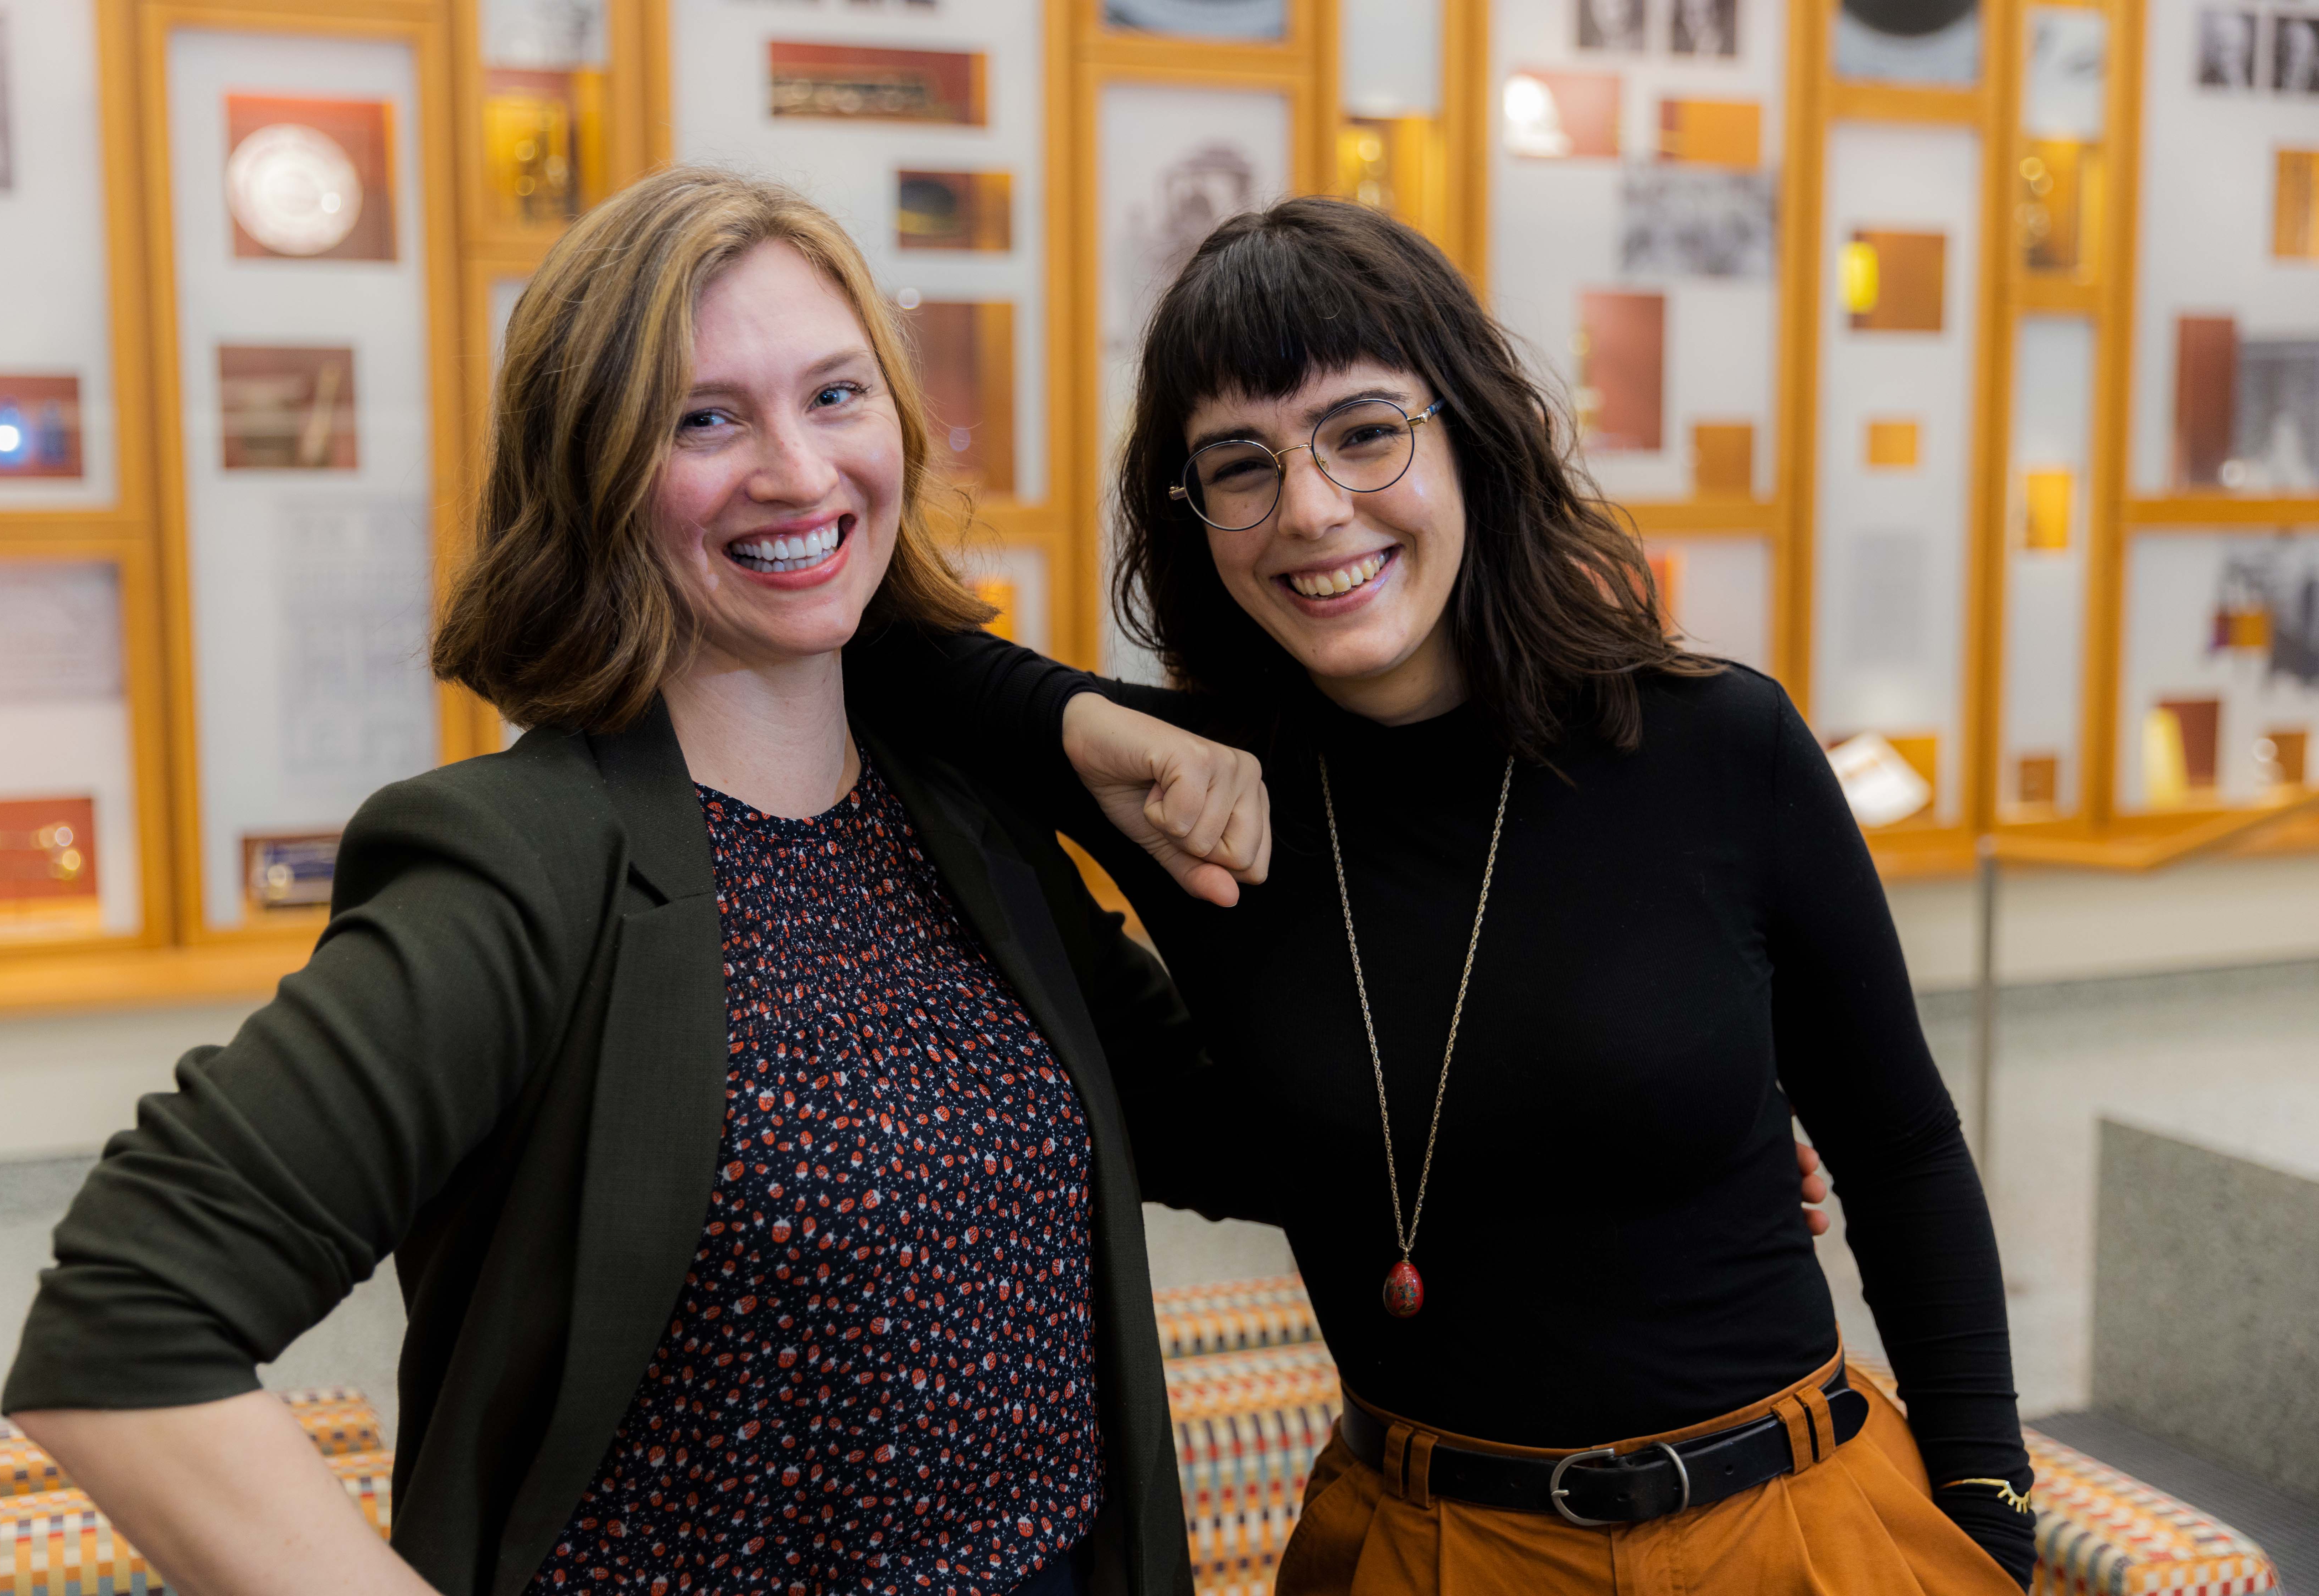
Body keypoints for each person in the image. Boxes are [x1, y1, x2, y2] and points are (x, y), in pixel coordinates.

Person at [0, 168, 1272, 1596]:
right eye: (705, 418)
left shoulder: (968, 828)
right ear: (596, 472)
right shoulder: (518, 867)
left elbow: (1250, 1141)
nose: (796, 470)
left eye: (837, 395)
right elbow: (125, 1317)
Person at [852, 197, 2039, 1592]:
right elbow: (873, 649)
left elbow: (1900, 1150)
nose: (1309, 510)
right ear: (1196, 513)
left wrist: (1993, 1517)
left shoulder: (1718, 743)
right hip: (1431, 1547)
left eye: (1364, 431)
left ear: (1468, 431)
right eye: (1238, 464)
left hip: (1788, 1526)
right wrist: (1081, 724)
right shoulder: (1204, 803)